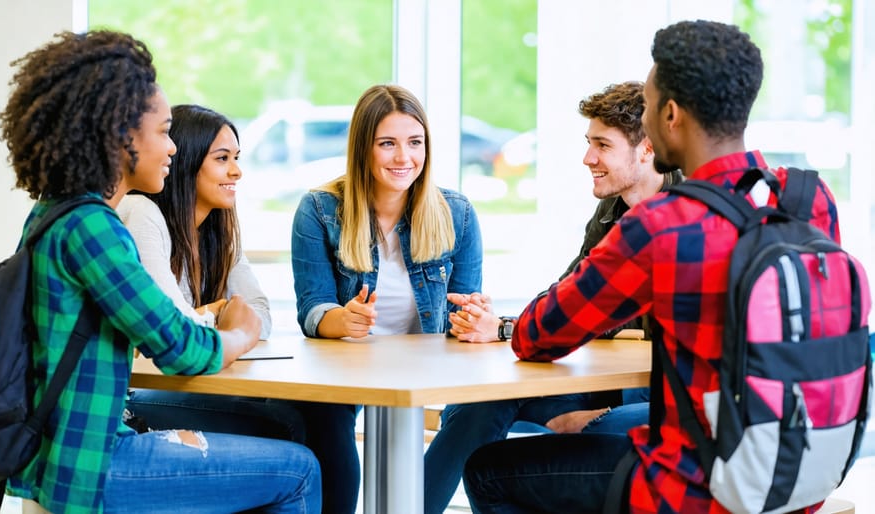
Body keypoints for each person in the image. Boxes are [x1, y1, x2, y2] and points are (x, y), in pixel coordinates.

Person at [462, 19, 841, 513]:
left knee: (490, 471)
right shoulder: (810, 198)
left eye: (645, 104)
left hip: (701, 484)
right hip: (802, 467)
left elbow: (542, 334)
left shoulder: (662, 225)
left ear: (669, 113)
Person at [0, 30, 320, 513]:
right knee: (299, 470)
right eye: (164, 131)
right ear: (120, 135)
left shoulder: (54, 214)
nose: (173, 148)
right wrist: (236, 333)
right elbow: (180, 348)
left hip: (65, 455)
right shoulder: (93, 229)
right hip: (90, 465)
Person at [424, 81, 681, 514]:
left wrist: (592, 420)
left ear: (647, 149)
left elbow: (590, 320)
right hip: (596, 383)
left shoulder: (688, 217)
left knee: (502, 469)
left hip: (653, 398)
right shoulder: (611, 211)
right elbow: (568, 297)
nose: (588, 158)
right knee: (481, 402)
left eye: (602, 145)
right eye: (589, 143)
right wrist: (501, 325)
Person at [290, 83, 483, 513]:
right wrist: (342, 320)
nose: (404, 158)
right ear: (363, 148)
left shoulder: (458, 213)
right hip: (347, 365)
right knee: (321, 413)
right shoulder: (320, 210)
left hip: (426, 365)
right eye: (387, 144)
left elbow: (464, 314)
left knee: (480, 411)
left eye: (415, 143)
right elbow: (312, 308)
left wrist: (476, 321)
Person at [117, 104, 305, 443]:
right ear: (185, 162)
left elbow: (259, 318)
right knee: (288, 422)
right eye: (222, 159)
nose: (237, 172)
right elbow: (177, 333)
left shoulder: (219, 230)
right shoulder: (142, 213)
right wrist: (217, 313)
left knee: (313, 410)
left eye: (237, 158)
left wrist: (210, 320)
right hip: (136, 394)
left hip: (186, 381)